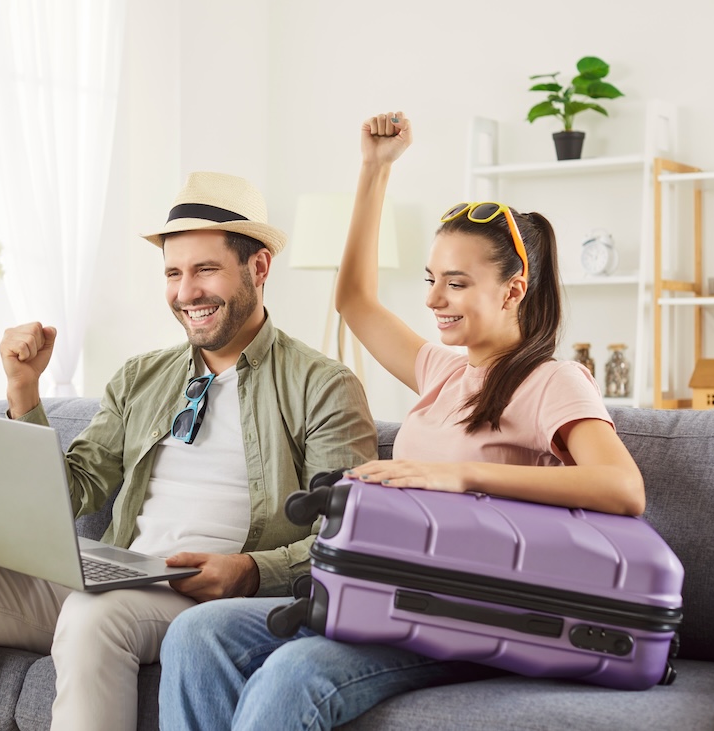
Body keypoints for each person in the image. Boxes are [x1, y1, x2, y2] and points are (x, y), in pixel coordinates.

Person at [158, 113, 646, 730]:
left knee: (295, 672)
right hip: (394, 598)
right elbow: (356, 300)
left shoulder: (551, 381)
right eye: (431, 280)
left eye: (457, 283)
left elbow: (622, 488)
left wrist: (461, 478)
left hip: (472, 615)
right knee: (197, 635)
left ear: (514, 289)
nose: (433, 299)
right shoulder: (442, 371)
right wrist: (375, 169)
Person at [0, 171, 379, 730]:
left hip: (205, 600)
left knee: (93, 615)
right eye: (173, 273)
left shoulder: (321, 385)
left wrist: (248, 572)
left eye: (205, 270)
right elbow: (74, 491)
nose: (185, 292)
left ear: (259, 267)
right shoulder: (140, 377)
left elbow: (349, 543)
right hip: (122, 571)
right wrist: (24, 390)